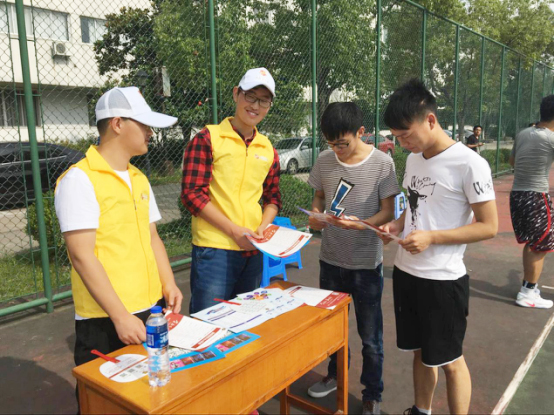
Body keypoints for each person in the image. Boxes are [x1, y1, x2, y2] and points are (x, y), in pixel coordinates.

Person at [54, 87, 183, 406]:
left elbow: (152, 237)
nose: (150, 132)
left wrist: (168, 283)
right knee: (103, 403)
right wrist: (120, 316)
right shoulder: (79, 180)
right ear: (117, 123)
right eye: (144, 124)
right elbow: (81, 255)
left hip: (150, 309)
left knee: (150, 396)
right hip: (105, 318)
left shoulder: (138, 177)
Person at [380, 79, 498, 415]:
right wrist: (396, 226)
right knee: (420, 352)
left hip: (442, 280)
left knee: (450, 361)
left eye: (406, 135)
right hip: (406, 272)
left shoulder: (469, 163)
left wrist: (432, 238)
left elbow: (489, 226)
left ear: (430, 120)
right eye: (397, 137)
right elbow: (414, 207)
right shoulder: (414, 159)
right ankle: (422, 410)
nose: (403, 144)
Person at [306, 102, 400, 415]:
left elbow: (388, 210)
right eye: (331, 143)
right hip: (331, 260)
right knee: (333, 330)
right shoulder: (325, 159)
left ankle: (372, 394)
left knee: (370, 337)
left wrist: (361, 224)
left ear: (361, 132)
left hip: (366, 264)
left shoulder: (382, 163)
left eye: (342, 143)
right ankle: (335, 375)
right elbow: (319, 196)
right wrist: (316, 215)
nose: (337, 150)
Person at [181, 67, 281, 314]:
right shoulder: (208, 138)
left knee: (246, 320)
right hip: (215, 249)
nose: (255, 106)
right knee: (209, 321)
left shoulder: (268, 148)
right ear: (236, 94)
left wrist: (263, 228)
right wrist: (234, 231)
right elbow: (192, 194)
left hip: (253, 249)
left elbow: (272, 197)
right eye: (250, 96)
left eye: (264, 101)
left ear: (269, 106)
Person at [509, 95, 554, 309]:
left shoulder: (523, 133)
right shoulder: (550, 138)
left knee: (533, 243)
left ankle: (530, 287)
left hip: (518, 195)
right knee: (540, 246)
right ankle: (527, 293)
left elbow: (512, 162)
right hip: (536, 196)